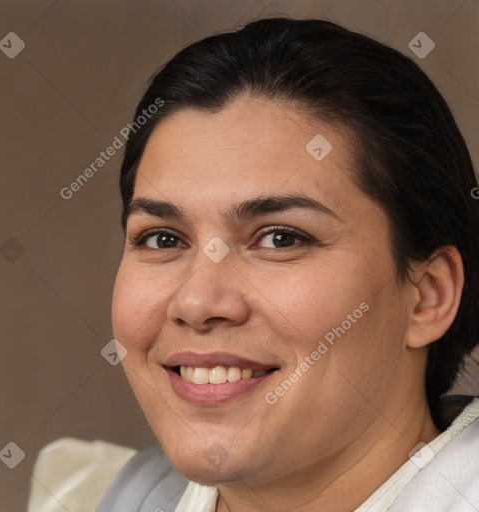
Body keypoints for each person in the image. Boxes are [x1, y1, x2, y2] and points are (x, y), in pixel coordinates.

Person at [28, 17, 479, 512]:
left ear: (428, 295)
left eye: (280, 238)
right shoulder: (103, 497)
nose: (197, 302)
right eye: (163, 238)